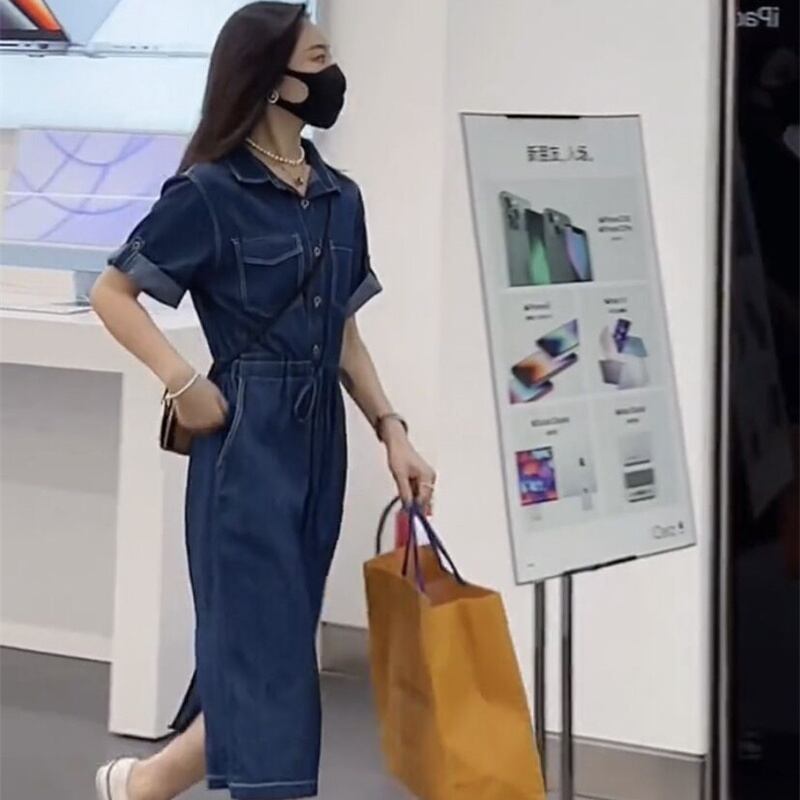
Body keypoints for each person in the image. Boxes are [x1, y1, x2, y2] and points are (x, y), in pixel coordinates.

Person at [90, 4, 436, 799]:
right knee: (268, 649)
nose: (332, 76)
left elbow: (341, 330)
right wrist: (184, 381)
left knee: (270, 643)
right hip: (246, 439)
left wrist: (391, 429)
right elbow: (114, 292)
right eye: (317, 60)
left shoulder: (340, 197)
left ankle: (143, 785)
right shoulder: (210, 193)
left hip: (320, 444)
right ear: (271, 79)